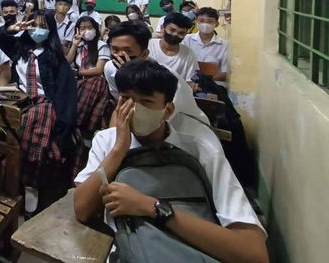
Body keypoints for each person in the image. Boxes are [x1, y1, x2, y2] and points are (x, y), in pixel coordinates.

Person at [73, 60, 268, 263]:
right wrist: (119, 149)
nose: (133, 109)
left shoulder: (200, 151)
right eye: (126, 99)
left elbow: (254, 254)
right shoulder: (107, 141)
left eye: (146, 102)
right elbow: (83, 209)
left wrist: (151, 207)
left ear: (167, 110)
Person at [0, 11, 78, 215]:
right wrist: (10, 29)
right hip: (19, 98)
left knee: (34, 123)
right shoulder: (19, 48)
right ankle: (4, 177)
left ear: (51, 30)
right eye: (34, 25)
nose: (38, 30)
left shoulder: (56, 58)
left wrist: (64, 125)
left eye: (43, 26)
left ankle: (31, 183)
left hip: (45, 102)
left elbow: (66, 94)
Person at [103, 20, 206, 125]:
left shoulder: (165, 77)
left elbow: (166, 117)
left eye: (128, 51)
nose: (120, 55)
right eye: (115, 50)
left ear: (144, 54)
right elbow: (123, 103)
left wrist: (132, 75)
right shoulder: (110, 68)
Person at [66, 16, 112, 164]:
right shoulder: (79, 46)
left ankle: (76, 122)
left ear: (95, 29)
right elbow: (68, 62)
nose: (86, 31)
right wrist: (74, 44)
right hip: (79, 82)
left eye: (89, 27)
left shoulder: (101, 45)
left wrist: (76, 73)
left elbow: (99, 70)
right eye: (83, 28)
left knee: (95, 82)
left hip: (95, 84)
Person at [183, 7, 230, 87]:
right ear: (196, 21)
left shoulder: (224, 45)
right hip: (187, 84)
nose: (205, 24)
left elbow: (226, 73)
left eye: (210, 21)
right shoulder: (186, 39)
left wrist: (205, 80)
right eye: (201, 21)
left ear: (216, 24)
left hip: (213, 86)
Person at [148, 12, 198, 85]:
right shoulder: (148, 46)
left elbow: (190, 82)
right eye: (172, 30)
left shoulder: (188, 54)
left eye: (181, 33)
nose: (175, 34)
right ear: (162, 28)